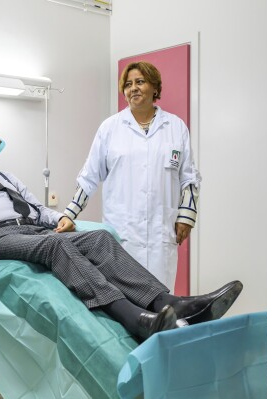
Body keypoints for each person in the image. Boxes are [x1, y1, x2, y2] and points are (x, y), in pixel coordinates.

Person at [0, 119, 240, 341]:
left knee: (100, 238)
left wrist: (60, 219)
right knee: (57, 246)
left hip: (31, 231)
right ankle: (134, 319)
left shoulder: (8, 177)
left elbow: (38, 210)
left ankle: (170, 303)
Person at [64, 61, 201, 291]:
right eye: (128, 84)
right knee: (124, 301)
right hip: (122, 234)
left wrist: (186, 218)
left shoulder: (176, 127)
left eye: (140, 82)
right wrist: (69, 214)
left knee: (160, 299)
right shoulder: (110, 128)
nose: (133, 88)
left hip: (161, 234)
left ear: (155, 88)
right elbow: (88, 177)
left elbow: (189, 178)